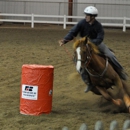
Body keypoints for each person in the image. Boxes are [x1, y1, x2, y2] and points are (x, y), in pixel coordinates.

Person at [59, 6, 127, 93]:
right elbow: (73, 32)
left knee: (111, 55)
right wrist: (64, 40)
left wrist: (91, 42)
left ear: (93, 17)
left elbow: (100, 38)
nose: (86, 16)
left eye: (88, 15)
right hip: (84, 45)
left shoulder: (98, 26)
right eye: (86, 15)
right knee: (79, 65)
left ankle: (121, 71)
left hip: (97, 44)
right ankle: (89, 83)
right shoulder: (81, 23)